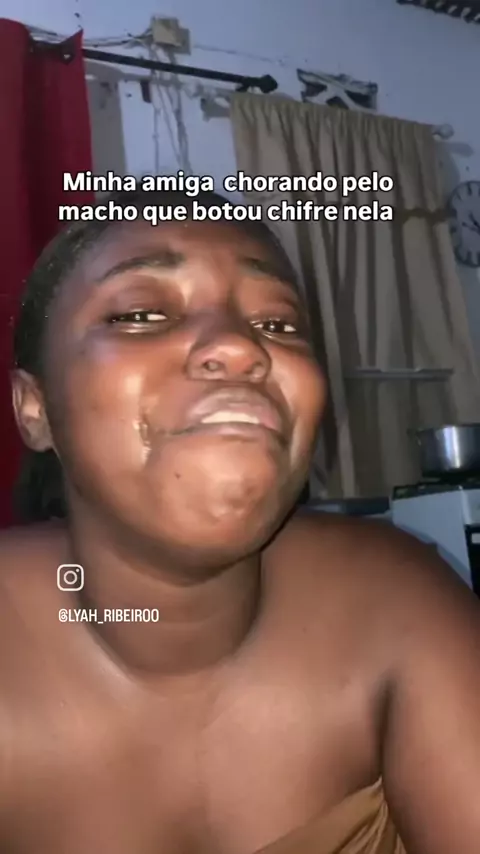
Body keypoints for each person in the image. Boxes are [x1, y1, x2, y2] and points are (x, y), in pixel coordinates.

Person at [2, 187, 479, 854]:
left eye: (278, 324)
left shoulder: (398, 601)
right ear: (35, 409)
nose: (238, 346)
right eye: (140, 314)